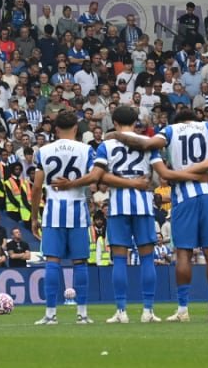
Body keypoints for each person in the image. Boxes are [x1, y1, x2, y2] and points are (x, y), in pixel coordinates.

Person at [107, 108, 208, 322]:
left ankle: (182, 310)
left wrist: (115, 135)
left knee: (183, 253)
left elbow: (160, 166)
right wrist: (199, 175)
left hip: (183, 197)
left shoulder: (170, 131)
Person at [57, 105, 158, 323]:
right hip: (143, 205)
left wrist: (71, 183)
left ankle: (121, 311)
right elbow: (159, 174)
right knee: (147, 258)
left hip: (119, 206)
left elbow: (98, 177)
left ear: (115, 123)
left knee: (119, 259)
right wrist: (139, 182)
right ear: (136, 121)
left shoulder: (107, 145)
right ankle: (148, 310)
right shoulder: (148, 143)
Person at [29, 110, 95, 325]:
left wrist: (34, 217)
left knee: (52, 262)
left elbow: (37, 187)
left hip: (53, 211)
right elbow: (94, 179)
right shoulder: (86, 150)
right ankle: (82, 314)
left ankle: (50, 314)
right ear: (76, 128)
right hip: (78, 211)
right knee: (80, 262)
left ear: (56, 129)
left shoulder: (43, 151)